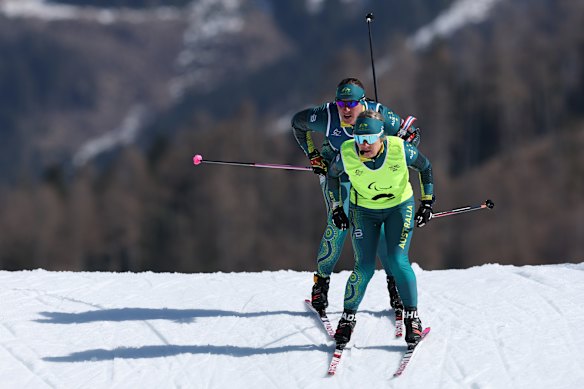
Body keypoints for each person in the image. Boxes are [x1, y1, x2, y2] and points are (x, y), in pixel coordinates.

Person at [291, 78, 420, 320]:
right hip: (337, 173)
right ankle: (321, 284)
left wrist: (403, 147)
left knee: (381, 228)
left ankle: (395, 286)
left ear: (364, 102)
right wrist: (313, 155)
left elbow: (412, 136)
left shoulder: (380, 115)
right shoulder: (326, 115)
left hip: (370, 177)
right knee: (338, 224)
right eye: (341, 102)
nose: (345, 109)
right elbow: (297, 123)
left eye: (351, 103)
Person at [326, 109, 434, 348]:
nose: (362, 146)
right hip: (364, 211)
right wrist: (336, 208)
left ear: (381, 139)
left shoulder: (399, 148)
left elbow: (425, 167)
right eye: (358, 140)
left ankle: (412, 317)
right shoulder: (346, 153)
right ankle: (348, 318)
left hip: (399, 207)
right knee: (363, 265)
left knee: (397, 259)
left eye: (368, 140)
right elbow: (331, 177)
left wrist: (427, 202)